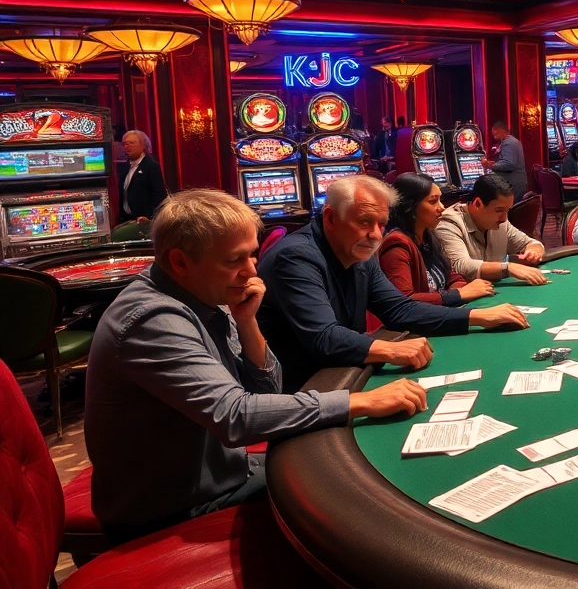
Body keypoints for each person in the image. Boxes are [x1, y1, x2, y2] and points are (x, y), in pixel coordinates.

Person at [85, 190, 429, 543]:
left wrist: (247, 323)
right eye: (235, 260)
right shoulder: (153, 319)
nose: (251, 271)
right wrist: (359, 401)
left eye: (252, 254)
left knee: (357, 469)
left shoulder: (207, 292)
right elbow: (237, 418)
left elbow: (266, 391)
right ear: (180, 262)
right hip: (174, 508)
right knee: (363, 495)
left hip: (226, 472)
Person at [257, 175, 528, 392]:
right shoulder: (296, 257)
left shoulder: (359, 251)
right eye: (364, 222)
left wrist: (477, 316)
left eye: (381, 223)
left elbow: (399, 309)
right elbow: (324, 337)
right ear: (330, 218)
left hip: (342, 373)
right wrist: (392, 349)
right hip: (300, 388)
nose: (375, 234)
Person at [370, 174, 495, 327]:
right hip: (414, 330)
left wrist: (461, 290)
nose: (441, 207)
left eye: (440, 199)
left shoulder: (428, 234)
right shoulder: (397, 244)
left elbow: (452, 276)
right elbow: (404, 301)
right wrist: (456, 295)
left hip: (439, 317)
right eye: (433, 201)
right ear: (411, 206)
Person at [435, 173, 548, 284]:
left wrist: (534, 252)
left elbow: (531, 243)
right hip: (465, 298)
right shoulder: (448, 224)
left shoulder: (501, 223)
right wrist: (507, 268)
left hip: (491, 291)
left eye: (507, 210)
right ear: (478, 203)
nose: (504, 218)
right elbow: (461, 266)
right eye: (499, 210)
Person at [118, 129, 167, 224]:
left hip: (144, 221)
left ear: (143, 145)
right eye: (124, 144)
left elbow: (159, 195)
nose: (126, 146)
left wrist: (150, 217)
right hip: (128, 219)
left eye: (131, 143)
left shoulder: (151, 165)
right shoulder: (125, 166)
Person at [485, 120, 529, 197]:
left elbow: (509, 164)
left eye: (495, 132)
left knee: (511, 208)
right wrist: (493, 164)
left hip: (514, 183)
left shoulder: (509, 142)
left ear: (502, 131)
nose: (493, 134)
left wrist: (490, 166)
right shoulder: (508, 141)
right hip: (514, 182)